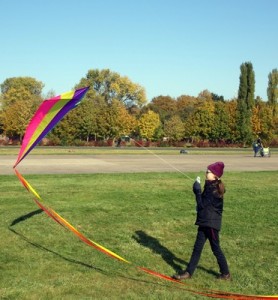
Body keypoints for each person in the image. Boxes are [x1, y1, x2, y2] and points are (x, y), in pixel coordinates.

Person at [172, 161, 231, 280]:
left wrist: (197, 191)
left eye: (208, 172)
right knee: (197, 248)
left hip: (211, 224)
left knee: (216, 248)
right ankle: (188, 272)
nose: (206, 173)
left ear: (215, 175)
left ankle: (226, 274)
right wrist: (200, 190)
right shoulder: (209, 186)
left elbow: (201, 205)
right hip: (204, 222)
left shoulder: (214, 189)